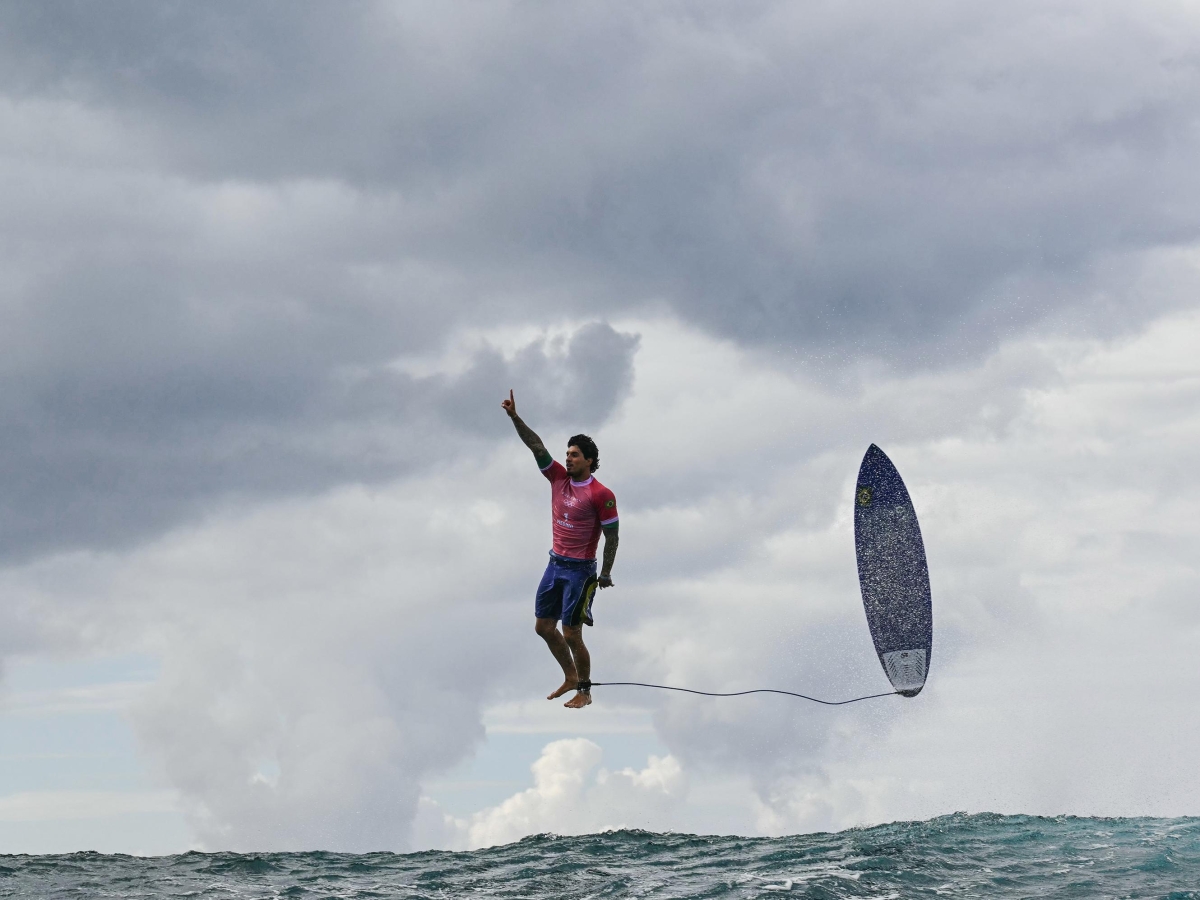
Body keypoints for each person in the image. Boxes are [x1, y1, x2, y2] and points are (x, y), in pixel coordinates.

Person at [501, 389, 619, 709]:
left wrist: (605, 573)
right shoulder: (557, 478)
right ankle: (569, 675)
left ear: (589, 461)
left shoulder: (601, 494)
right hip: (555, 564)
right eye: (567, 454)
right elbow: (536, 445)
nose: (568, 458)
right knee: (543, 627)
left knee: (571, 633)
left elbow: (612, 536)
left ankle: (585, 690)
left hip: (581, 572)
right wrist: (514, 417)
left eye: (574, 455)